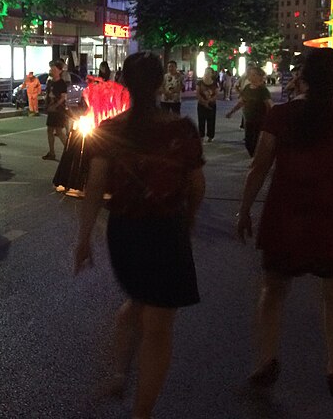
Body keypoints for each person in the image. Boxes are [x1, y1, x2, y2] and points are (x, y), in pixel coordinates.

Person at [75, 51, 205, 419]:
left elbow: (94, 187)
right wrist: (190, 220)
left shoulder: (110, 130)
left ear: (125, 83)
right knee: (158, 325)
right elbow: (197, 185)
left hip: (125, 236)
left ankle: (119, 372)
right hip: (165, 233)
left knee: (136, 301)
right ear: (161, 82)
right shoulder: (180, 131)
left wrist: (84, 239)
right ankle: (141, 413)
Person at [235, 48, 333, 397]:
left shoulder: (281, 115)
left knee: (273, 290)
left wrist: (244, 210)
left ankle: (267, 361)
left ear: (302, 78)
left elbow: (259, 166)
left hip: (287, 213)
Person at [226, 66, 273, 157]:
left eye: (254, 75)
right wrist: (231, 112)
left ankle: (256, 158)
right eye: (250, 75)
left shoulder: (263, 90)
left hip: (259, 120)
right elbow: (242, 101)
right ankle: (253, 156)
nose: (251, 77)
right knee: (248, 142)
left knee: (256, 141)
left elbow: (268, 104)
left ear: (260, 76)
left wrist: (269, 118)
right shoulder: (247, 88)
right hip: (248, 119)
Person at [42, 60, 68, 160]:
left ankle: (70, 150)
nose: (52, 71)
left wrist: (55, 105)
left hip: (58, 110)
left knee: (59, 131)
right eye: (51, 69)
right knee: (50, 130)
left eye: (54, 69)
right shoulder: (50, 82)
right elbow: (48, 95)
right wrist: (47, 105)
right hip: (51, 110)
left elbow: (63, 97)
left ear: (59, 71)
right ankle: (51, 152)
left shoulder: (61, 83)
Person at [196, 67, 219, 143]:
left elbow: (216, 94)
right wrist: (203, 101)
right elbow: (197, 93)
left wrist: (209, 101)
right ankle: (201, 135)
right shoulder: (200, 82)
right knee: (201, 120)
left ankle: (210, 136)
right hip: (201, 104)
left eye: (209, 72)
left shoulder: (214, 83)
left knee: (211, 120)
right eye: (206, 71)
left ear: (212, 74)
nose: (207, 73)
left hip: (211, 104)